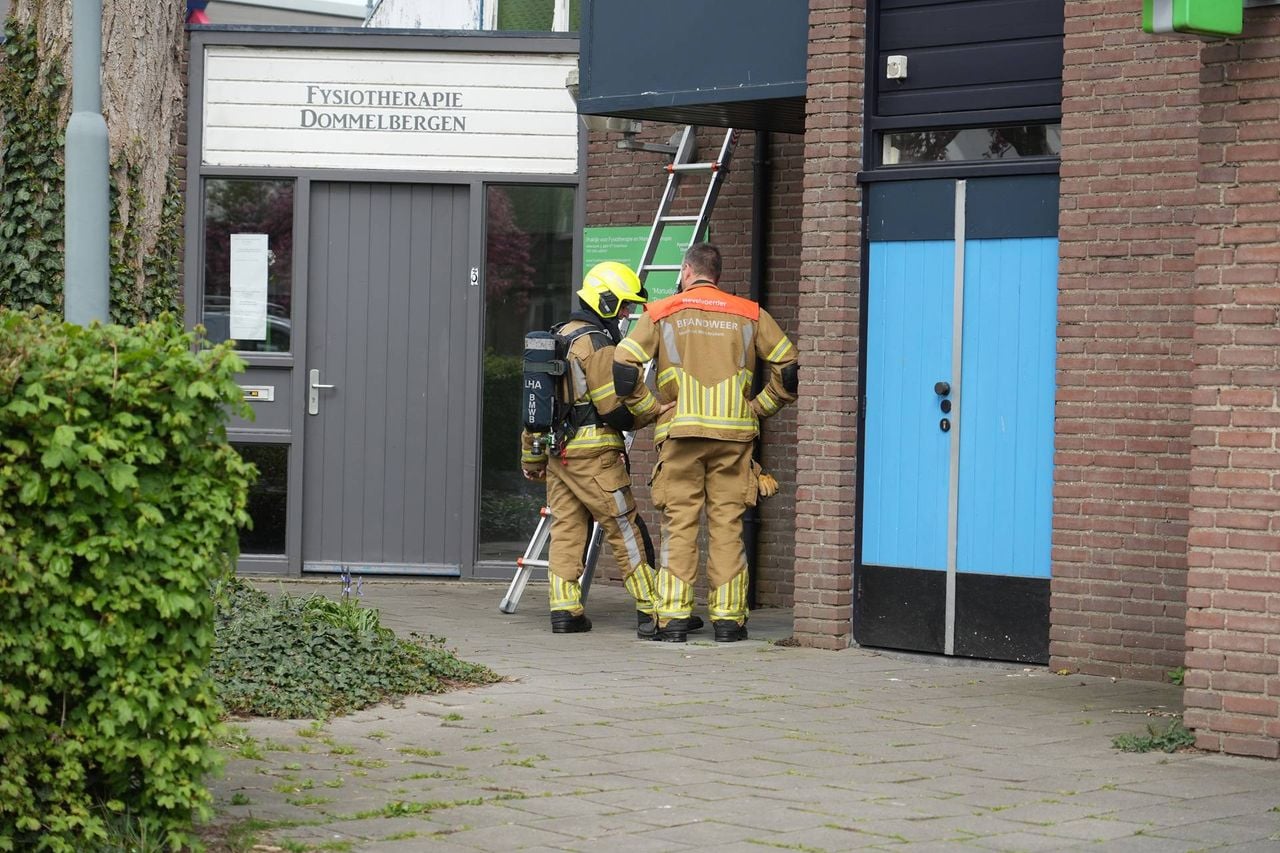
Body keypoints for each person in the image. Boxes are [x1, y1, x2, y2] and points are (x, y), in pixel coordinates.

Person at [613, 243, 798, 643]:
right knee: (728, 527)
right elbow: (788, 365)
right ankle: (729, 622)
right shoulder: (750, 313)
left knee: (679, 525)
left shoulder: (662, 312)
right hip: (733, 436)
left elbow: (623, 366)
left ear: (685, 270)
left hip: (680, 436)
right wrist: (759, 407)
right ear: (717, 273)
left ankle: (675, 619)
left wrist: (652, 409)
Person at [520, 261, 699, 638]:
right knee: (625, 529)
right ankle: (655, 609)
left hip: (559, 455)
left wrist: (531, 457)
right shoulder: (596, 342)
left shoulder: (559, 335)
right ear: (604, 300)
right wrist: (650, 413)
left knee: (567, 529)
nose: (627, 313)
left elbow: (535, 407)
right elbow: (612, 407)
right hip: (596, 456)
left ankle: (565, 610)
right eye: (622, 306)